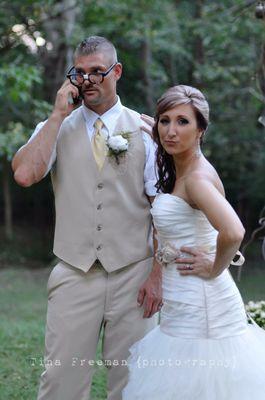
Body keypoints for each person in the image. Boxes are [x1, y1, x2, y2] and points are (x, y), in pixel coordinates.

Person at [12, 36, 163, 400]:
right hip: (74, 272)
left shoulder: (146, 131)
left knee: (134, 384)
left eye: (98, 71)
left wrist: (157, 275)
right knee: (60, 381)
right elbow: (25, 175)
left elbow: (162, 211)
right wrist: (56, 114)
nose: (89, 80)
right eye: (80, 73)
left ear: (117, 72)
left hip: (134, 275)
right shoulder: (54, 127)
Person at [122, 85, 265, 400]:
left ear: (201, 129)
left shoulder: (196, 179)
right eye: (165, 121)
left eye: (183, 122)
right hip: (182, 305)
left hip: (203, 310)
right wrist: (157, 132)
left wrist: (214, 268)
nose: (171, 131)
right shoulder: (181, 169)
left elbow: (234, 231)